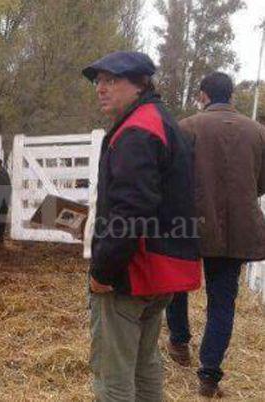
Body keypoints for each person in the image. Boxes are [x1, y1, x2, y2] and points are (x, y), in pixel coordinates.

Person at [82, 51, 201, 401]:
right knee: (145, 361)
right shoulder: (161, 121)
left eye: (112, 81)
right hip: (160, 271)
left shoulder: (136, 131)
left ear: (140, 84)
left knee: (112, 372)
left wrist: (103, 271)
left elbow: (131, 210)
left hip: (131, 272)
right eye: (98, 81)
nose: (101, 89)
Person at [165, 72, 265, 398]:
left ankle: (179, 342)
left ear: (203, 95)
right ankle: (209, 376)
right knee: (223, 302)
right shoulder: (258, 132)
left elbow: (173, 177)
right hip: (237, 229)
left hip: (191, 225)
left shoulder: (186, 127)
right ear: (231, 95)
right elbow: (260, 183)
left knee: (178, 283)